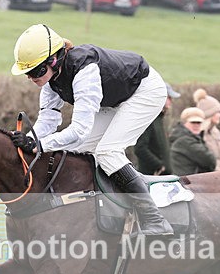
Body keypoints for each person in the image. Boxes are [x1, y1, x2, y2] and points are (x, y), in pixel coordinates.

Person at [10, 24, 173, 236]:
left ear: (54, 60)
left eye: (35, 71)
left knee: (107, 151)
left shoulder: (83, 70)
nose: (32, 78)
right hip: (117, 98)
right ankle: (103, 215)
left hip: (145, 91)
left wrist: (40, 145)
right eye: (27, 74)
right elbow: (48, 121)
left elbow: (79, 130)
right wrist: (29, 139)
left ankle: (154, 219)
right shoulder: (52, 82)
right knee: (80, 151)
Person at [134, 83, 180, 175]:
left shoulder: (158, 118)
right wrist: (159, 166)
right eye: (168, 97)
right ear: (159, 97)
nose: (171, 101)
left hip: (161, 176)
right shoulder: (149, 119)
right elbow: (140, 149)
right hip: (152, 176)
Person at [168, 107, 216, 176]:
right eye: (193, 122)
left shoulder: (183, 137)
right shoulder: (185, 141)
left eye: (199, 122)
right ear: (184, 123)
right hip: (189, 182)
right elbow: (210, 160)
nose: (196, 125)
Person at [193, 88, 220, 171]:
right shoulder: (200, 134)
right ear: (209, 114)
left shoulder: (216, 132)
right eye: (217, 112)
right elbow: (206, 161)